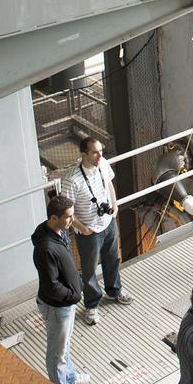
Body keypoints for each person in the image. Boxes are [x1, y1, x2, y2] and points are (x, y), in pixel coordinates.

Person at [63, 136, 133, 325]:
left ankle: (114, 290)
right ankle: (92, 305)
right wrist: (82, 228)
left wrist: (115, 206)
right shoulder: (72, 179)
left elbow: (109, 183)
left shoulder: (103, 164)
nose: (99, 155)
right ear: (84, 154)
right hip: (89, 231)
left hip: (108, 223)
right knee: (89, 269)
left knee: (112, 259)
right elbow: (66, 208)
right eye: (95, 152)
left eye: (100, 151)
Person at [30, 193, 90, 384]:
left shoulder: (58, 231)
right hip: (58, 308)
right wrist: (73, 295)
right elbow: (52, 286)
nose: (72, 220)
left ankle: (70, 377)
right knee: (57, 353)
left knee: (64, 346)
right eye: (68, 217)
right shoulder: (46, 249)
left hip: (65, 304)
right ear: (53, 218)